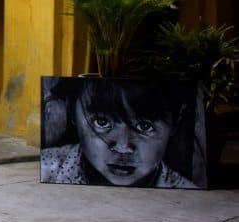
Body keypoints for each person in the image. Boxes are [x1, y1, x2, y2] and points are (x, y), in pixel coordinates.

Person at [40, 78, 200, 188]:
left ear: (175, 123)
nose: (123, 147)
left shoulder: (187, 193)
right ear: (71, 111)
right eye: (101, 122)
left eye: (144, 126)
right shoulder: (46, 169)